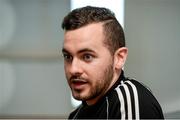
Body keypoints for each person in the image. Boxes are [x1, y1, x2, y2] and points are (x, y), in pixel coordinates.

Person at [61, 6, 164, 119]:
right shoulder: (76, 116)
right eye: (68, 56)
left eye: (87, 56)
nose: (73, 69)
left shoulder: (129, 101)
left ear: (119, 58)